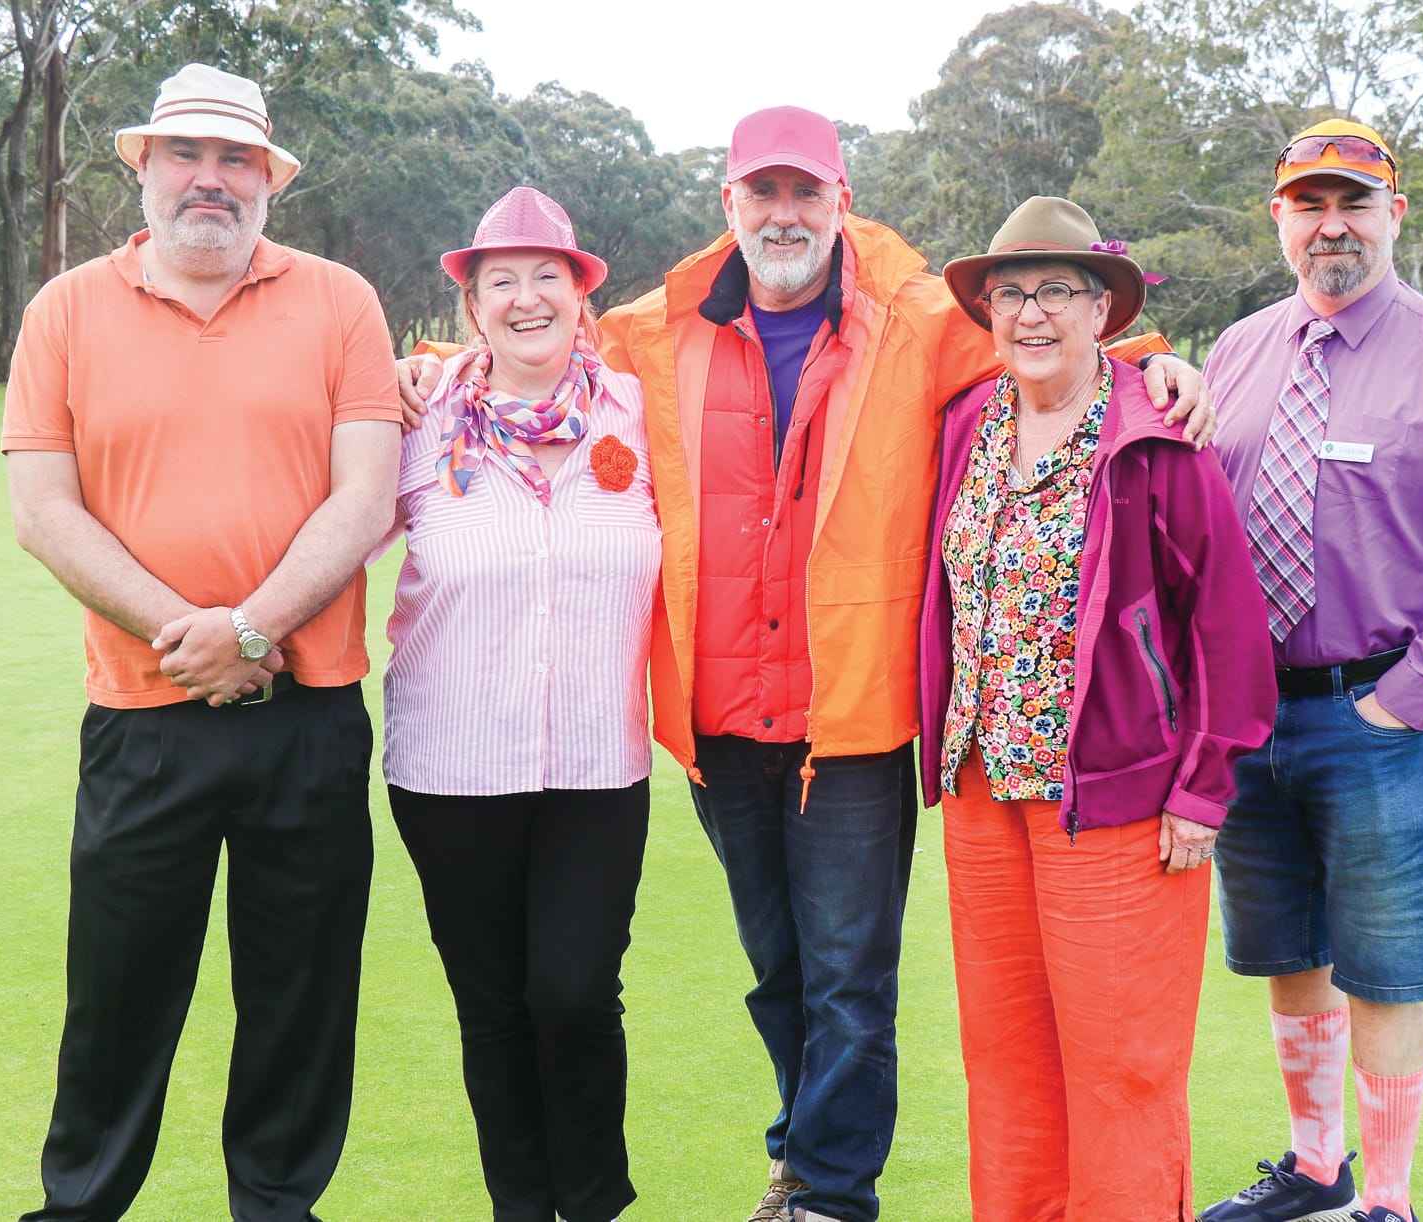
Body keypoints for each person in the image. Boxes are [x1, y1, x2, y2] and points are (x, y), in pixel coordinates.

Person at [400, 105, 1213, 1222]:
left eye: (804, 193)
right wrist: (422, 368)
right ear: (729, 204)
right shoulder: (656, 330)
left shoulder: (917, 317)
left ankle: (833, 1193)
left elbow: (1055, 338)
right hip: (723, 719)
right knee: (779, 972)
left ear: (841, 201)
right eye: (762, 193)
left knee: (848, 983)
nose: (783, 215)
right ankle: (800, 1155)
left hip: (853, 720)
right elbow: (530, 350)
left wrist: (1161, 365)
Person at [1, 63, 402, 1220]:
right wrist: (198, 640)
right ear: (145, 165)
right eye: (187, 153)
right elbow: (44, 512)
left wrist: (252, 628)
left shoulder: (340, 302)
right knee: (117, 996)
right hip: (144, 711)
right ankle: (80, 1206)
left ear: (269, 177)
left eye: (237, 158)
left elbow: (364, 497)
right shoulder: (66, 310)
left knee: (301, 997)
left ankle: (276, 1207)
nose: (211, 178)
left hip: (307, 712)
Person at [1197, 119, 1423, 1222]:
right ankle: (1315, 1169)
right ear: (1279, 219)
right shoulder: (1239, 351)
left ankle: (1385, 1202)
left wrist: (1410, 695)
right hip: (1252, 714)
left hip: (1378, 712)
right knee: (1289, 955)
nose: (1332, 226)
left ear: (1394, 213)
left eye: (1354, 203)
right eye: (1310, 205)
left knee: (1385, 970)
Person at [917, 196, 1276, 1222]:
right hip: (982, 787)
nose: (1031, 313)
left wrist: (1203, 788)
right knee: (1008, 1061)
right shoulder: (965, 421)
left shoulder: (1154, 432)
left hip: (1116, 800)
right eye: (1010, 293)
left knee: (1122, 1068)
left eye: (1056, 291)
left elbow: (1226, 626)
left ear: (1101, 309)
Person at [377, 186, 658, 1222]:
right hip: (449, 768)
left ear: (584, 296)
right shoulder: (416, 420)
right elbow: (329, 529)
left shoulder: (641, 415)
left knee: (576, 993)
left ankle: (590, 1205)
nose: (527, 297)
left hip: (597, 764)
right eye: (503, 280)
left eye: (550, 275)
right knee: (491, 1006)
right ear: (472, 304)